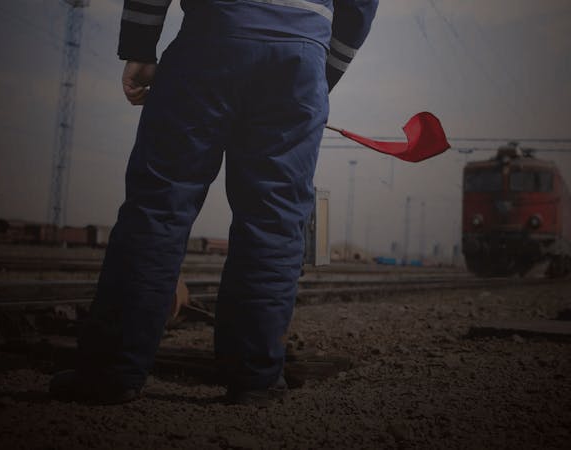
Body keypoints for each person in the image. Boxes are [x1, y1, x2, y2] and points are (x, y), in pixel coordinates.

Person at [50, 0, 378, 405]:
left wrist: (140, 46)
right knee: (273, 221)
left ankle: (110, 372)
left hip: (212, 37)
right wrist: (318, 69)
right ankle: (255, 378)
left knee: (159, 206)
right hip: (299, 55)